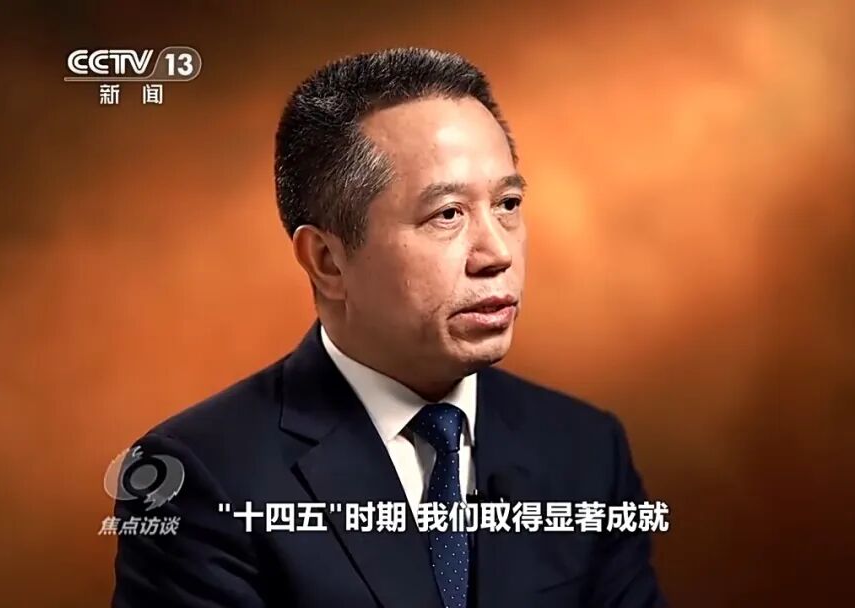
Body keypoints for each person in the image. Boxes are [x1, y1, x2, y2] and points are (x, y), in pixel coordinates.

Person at [112, 47, 665, 608]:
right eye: (447, 214)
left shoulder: (586, 448)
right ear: (327, 261)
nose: (497, 253)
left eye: (508, 203)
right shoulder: (199, 478)